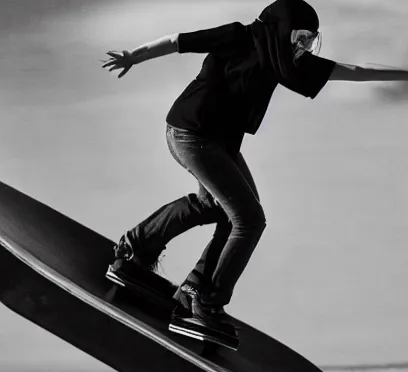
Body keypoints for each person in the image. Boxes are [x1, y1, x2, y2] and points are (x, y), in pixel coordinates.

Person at [102, 0, 408, 337]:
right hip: (190, 134)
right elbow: (177, 41)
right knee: (248, 220)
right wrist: (134, 56)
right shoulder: (238, 36)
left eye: (309, 40)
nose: (302, 47)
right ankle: (202, 299)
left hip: (217, 144)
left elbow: (354, 71)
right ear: (282, 28)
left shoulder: (285, 63)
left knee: (223, 209)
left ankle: (163, 269)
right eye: (300, 37)